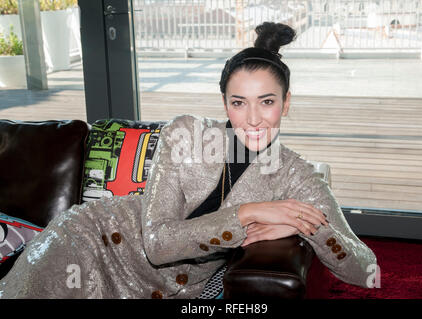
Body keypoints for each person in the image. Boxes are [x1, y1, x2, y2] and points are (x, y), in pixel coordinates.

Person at [0, 22, 376, 299]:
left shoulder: (295, 174)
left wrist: (301, 224)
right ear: (225, 103)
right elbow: (158, 244)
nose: (254, 119)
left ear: (286, 103)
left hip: (170, 290)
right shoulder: (185, 134)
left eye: (267, 101)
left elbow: (364, 268)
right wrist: (252, 212)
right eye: (238, 103)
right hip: (88, 241)